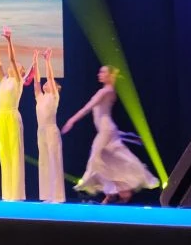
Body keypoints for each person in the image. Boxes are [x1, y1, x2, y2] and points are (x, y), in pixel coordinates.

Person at [62, 65, 159, 203]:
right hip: (107, 130)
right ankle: (116, 193)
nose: (99, 74)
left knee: (96, 161)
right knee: (111, 161)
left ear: (109, 75)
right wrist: (130, 137)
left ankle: (114, 192)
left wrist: (72, 120)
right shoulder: (109, 90)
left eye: (103, 72)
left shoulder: (106, 91)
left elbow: (88, 108)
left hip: (106, 131)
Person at [0, 27, 25, 201]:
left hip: (12, 116)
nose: (13, 66)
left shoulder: (18, 81)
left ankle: (16, 194)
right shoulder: (3, 80)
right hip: (1, 116)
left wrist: (9, 40)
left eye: (18, 66)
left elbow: (11, 59)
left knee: (14, 153)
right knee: (4, 154)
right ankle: (7, 194)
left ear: (21, 72)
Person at [33, 48, 64, 203]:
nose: (47, 83)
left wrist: (47, 61)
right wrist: (35, 61)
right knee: (44, 162)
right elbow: (36, 82)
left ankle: (57, 196)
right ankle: (47, 195)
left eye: (50, 83)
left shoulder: (54, 96)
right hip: (41, 131)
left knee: (53, 161)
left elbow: (50, 77)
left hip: (51, 130)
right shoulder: (40, 97)